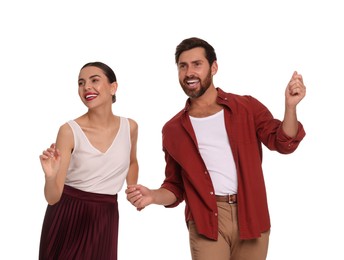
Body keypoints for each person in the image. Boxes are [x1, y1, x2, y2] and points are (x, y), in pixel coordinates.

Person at [126, 37, 306, 260]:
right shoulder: (173, 130)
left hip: (251, 211)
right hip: (206, 219)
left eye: (197, 64)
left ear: (214, 67)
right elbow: (175, 187)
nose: (189, 72)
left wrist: (290, 107)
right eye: (183, 66)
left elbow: (282, 142)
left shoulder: (246, 107)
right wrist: (153, 196)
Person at [39, 61, 139, 260]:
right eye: (81, 83)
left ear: (113, 87)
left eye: (95, 80)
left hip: (106, 216)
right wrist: (50, 177)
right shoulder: (69, 131)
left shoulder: (130, 127)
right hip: (68, 214)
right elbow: (52, 197)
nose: (86, 87)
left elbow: (132, 161)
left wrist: (133, 189)